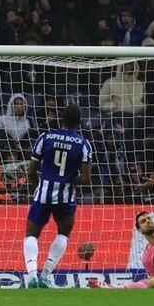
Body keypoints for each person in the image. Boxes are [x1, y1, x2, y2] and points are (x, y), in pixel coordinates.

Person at [23, 105, 92, 288]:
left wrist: (38, 187)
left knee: (31, 235)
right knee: (63, 234)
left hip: (43, 194)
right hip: (65, 197)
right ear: (79, 122)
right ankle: (46, 276)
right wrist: (70, 179)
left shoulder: (45, 137)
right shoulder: (83, 144)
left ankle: (32, 276)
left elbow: (31, 171)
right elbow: (86, 179)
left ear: (61, 119)